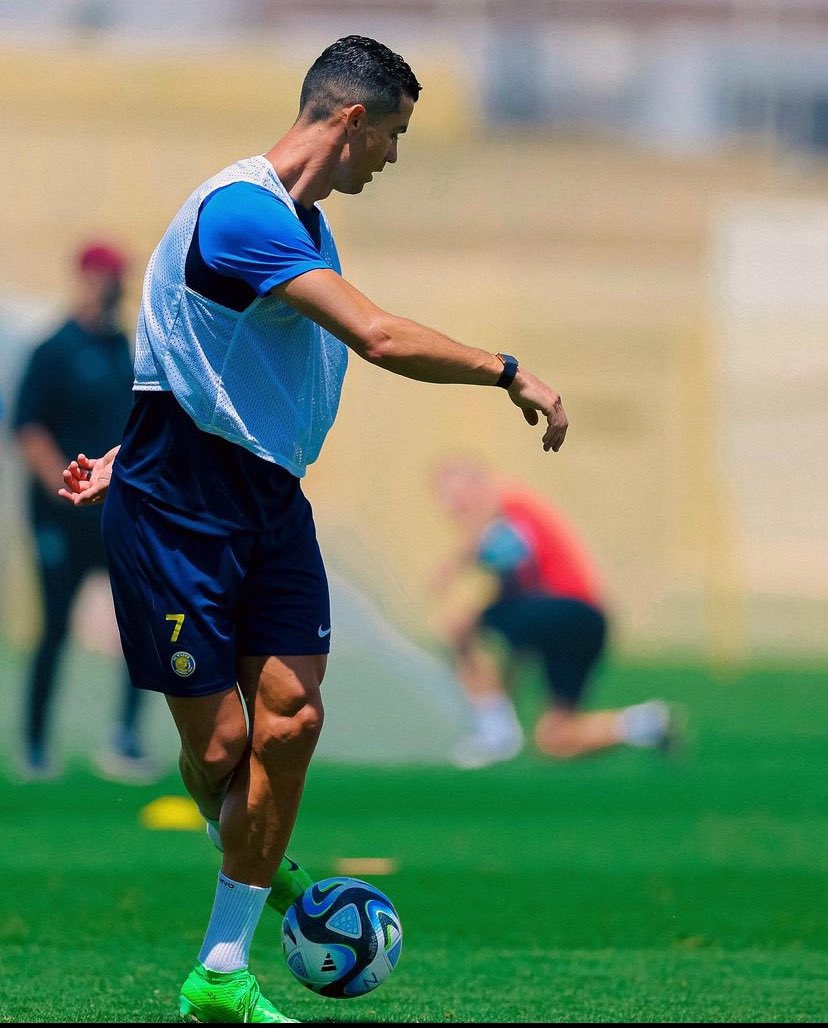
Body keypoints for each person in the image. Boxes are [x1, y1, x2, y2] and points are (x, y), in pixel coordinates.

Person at [57, 36, 568, 1024]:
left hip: (269, 505)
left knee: (290, 721)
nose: (392, 157)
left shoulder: (304, 223)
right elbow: (374, 336)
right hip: (177, 518)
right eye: (393, 136)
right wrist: (509, 370)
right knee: (218, 753)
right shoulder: (244, 212)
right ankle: (265, 861)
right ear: (348, 121)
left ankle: (219, 970)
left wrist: (127, 446)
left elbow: (205, 355)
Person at [11, 240, 156, 783]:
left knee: (139, 624)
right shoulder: (54, 349)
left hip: (117, 514)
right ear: (84, 277)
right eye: (105, 276)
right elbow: (29, 428)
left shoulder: (125, 349)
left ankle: (124, 739)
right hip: (62, 518)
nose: (113, 286)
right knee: (53, 629)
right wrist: (66, 489)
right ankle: (34, 745)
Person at [430, 456, 682, 769]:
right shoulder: (511, 528)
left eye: (458, 497)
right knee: (556, 738)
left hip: (564, 608)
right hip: (587, 620)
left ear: (480, 485)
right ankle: (646, 724)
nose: (453, 509)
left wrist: (455, 565)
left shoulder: (508, 510)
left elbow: (508, 554)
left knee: (460, 626)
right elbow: (516, 619)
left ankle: (496, 733)